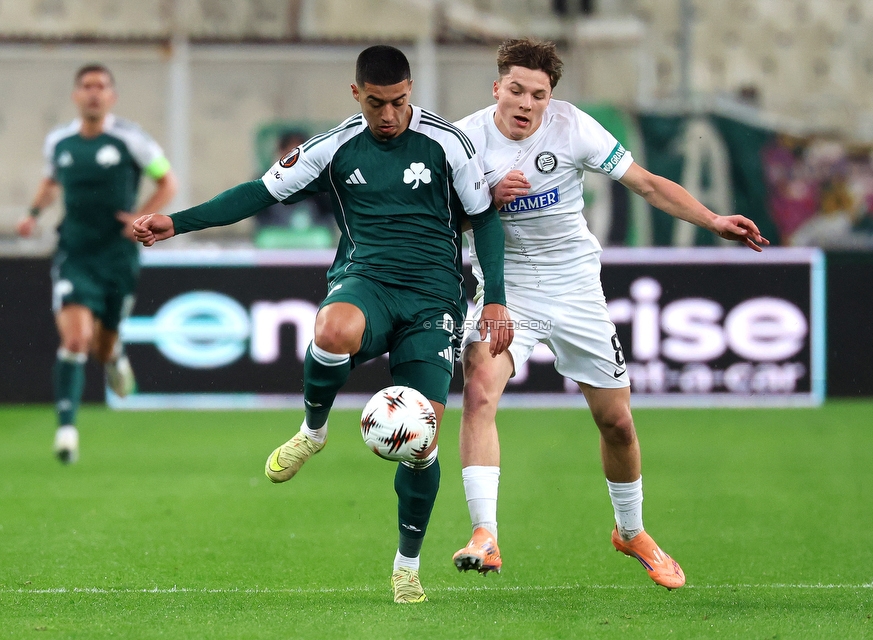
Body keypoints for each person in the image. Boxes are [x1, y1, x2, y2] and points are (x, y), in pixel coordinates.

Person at [132, 45, 512, 604]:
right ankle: (313, 430)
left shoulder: (447, 143)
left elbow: (483, 217)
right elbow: (258, 193)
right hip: (367, 281)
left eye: (400, 102)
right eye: (378, 103)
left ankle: (407, 567)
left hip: (434, 299)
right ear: (356, 94)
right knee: (332, 328)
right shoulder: (333, 148)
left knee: (422, 436)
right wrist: (178, 223)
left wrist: (496, 298)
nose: (390, 115)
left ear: (412, 93)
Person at [450, 38, 769, 589]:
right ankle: (485, 534)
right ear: (497, 87)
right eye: (517, 90)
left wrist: (713, 220)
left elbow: (645, 184)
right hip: (510, 292)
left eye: (539, 94)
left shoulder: (575, 127)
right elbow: (434, 218)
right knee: (479, 387)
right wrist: (481, 199)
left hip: (576, 291)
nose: (526, 103)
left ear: (550, 98)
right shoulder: (461, 142)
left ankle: (630, 531)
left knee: (617, 424)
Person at [17, 63, 178, 464]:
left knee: (102, 345)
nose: (94, 93)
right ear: (76, 95)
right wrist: (34, 213)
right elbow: (51, 180)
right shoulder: (60, 141)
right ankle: (67, 430)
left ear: (112, 96)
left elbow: (167, 182)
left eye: (101, 87)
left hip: (118, 258)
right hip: (75, 251)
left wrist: (142, 217)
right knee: (75, 340)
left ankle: (115, 355)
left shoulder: (130, 139)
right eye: (87, 86)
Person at [253, 129, 338, 248]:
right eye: (289, 154)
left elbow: (328, 215)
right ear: (280, 153)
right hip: (276, 237)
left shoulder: (321, 183)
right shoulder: (265, 182)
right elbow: (261, 219)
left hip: (312, 238)